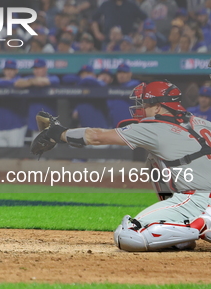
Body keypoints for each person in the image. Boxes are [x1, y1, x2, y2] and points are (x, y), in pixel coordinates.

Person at [32, 81, 211, 251]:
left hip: (197, 200)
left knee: (128, 235)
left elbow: (96, 136)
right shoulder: (203, 122)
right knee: (154, 159)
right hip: (203, 200)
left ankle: (199, 226)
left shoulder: (154, 127)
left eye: (145, 104)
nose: (141, 108)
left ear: (158, 106)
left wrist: (59, 133)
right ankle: (186, 232)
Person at [15, 59, 60, 138]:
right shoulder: (30, 78)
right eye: (35, 68)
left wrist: (30, 82)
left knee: (52, 149)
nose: (37, 71)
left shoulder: (53, 78)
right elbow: (17, 83)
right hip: (35, 125)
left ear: (45, 68)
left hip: (50, 125)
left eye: (39, 68)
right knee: (37, 149)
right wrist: (33, 81)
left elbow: (42, 82)